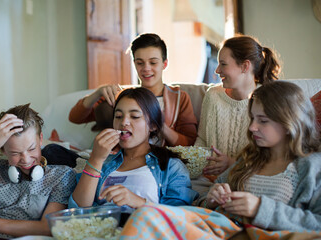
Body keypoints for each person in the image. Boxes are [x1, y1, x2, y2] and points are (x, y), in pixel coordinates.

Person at [119, 81, 321, 239]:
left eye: (263, 121)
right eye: (252, 118)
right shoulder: (249, 159)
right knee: (148, 216)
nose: (252, 127)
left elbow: (317, 225)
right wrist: (212, 197)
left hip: (267, 235)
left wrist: (260, 209)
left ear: (289, 123)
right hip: (223, 231)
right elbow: (204, 202)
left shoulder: (312, 167)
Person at [69, 87, 198, 212]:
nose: (124, 122)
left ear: (152, 125)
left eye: (135, 116)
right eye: (118, 116)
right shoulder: (103, 162)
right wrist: (95, 160)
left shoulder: (172, 167)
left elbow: (180, 217)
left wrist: (138, 202)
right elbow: (77, 211)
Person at [0, 104, 76, 239]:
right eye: (15, 153)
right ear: (3, 150)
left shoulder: (61, 176)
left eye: (32, 149)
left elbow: (46, 228)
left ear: (40, 140)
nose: (26, 160)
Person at [69, 33, 198, 146]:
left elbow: (189, 143)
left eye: (153, 63)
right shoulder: (124, 96)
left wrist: (159, 125)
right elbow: (75, 118)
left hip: (160, 162)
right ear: (134, 63)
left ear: (164, 64)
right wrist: (98, 93)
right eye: (140, 63)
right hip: (122, 161)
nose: (146, 68)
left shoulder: (180, 98)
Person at [195, 35, 281, 176]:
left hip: (246, 179)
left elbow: (272, 156)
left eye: (223, 64)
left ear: (245, 66)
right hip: (208, 179)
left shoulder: (269, 101)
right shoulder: (213, 95)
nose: (217, 70)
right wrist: (195, 164)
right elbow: (202, 140)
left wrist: (232, 163)